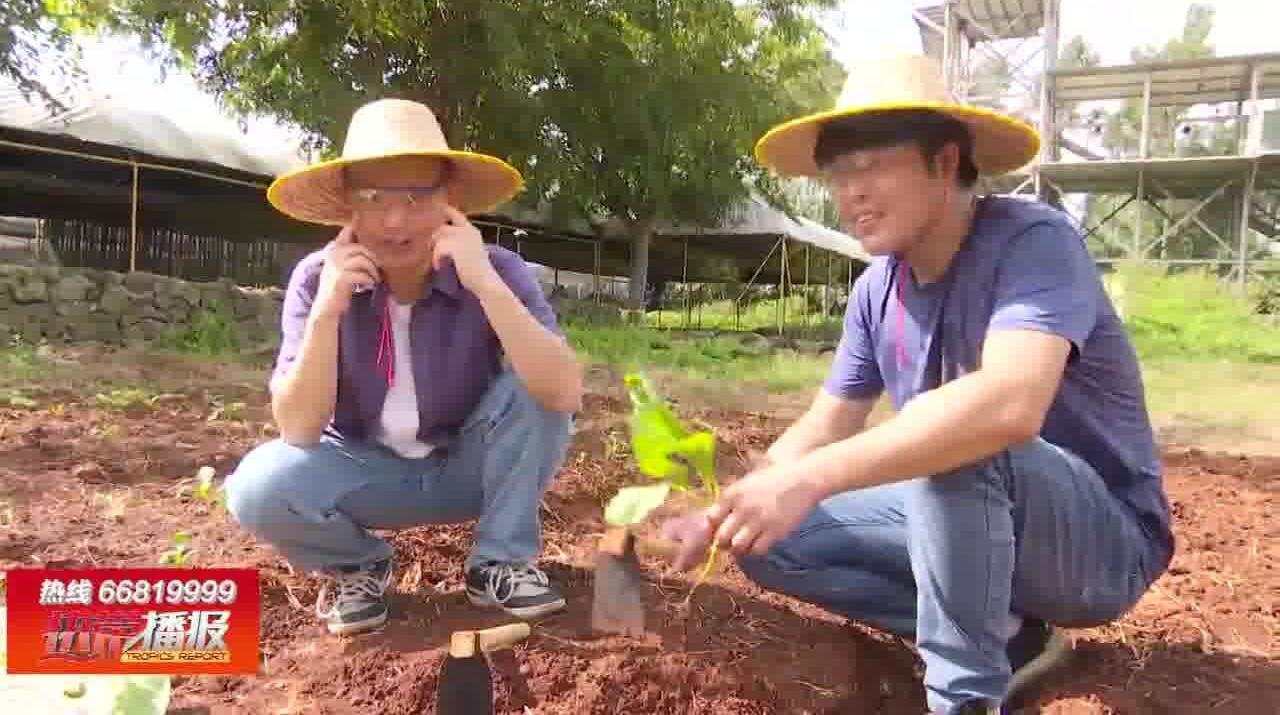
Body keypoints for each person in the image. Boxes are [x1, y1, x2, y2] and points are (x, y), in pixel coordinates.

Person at [660, 55, 1175, 714]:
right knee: (767, 539)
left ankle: (963, 698)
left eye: (871, 165)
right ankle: (1011, 638)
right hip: (979, 514)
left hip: (1100, 544)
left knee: (954, 436)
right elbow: (824, 424)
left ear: (944, 161)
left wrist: (812, 479)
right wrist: (724, 512)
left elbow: (1010, 405)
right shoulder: (877, 292)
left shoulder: (1033, 243)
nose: (850, 193)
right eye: (837, 175)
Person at [224, 99, 583, 637]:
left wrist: (483, 282)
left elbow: (564, 392)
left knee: (538, 384)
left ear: (450, 199)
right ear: (348, 204)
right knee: (256, 487)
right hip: (366, 475)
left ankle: (500, 562)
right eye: (372, 197)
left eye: (417, 196)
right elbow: (297, 428)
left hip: (468, 467)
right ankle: (359, 566)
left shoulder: (495, 269)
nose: (395, 221)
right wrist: (327, 313)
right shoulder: (315, 279)